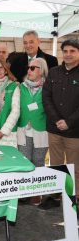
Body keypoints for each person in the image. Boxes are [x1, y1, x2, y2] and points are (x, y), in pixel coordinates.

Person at [41, 39, 79, 210]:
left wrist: (69, 122)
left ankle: (73, 201)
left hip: (75, 131)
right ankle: (55, 196)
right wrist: (57, 120)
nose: (69, 54)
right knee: (55, 165)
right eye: (66, 51)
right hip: (54, 128)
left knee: (74, 168)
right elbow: (46, 97)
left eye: (73, 51)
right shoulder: (54, 72)